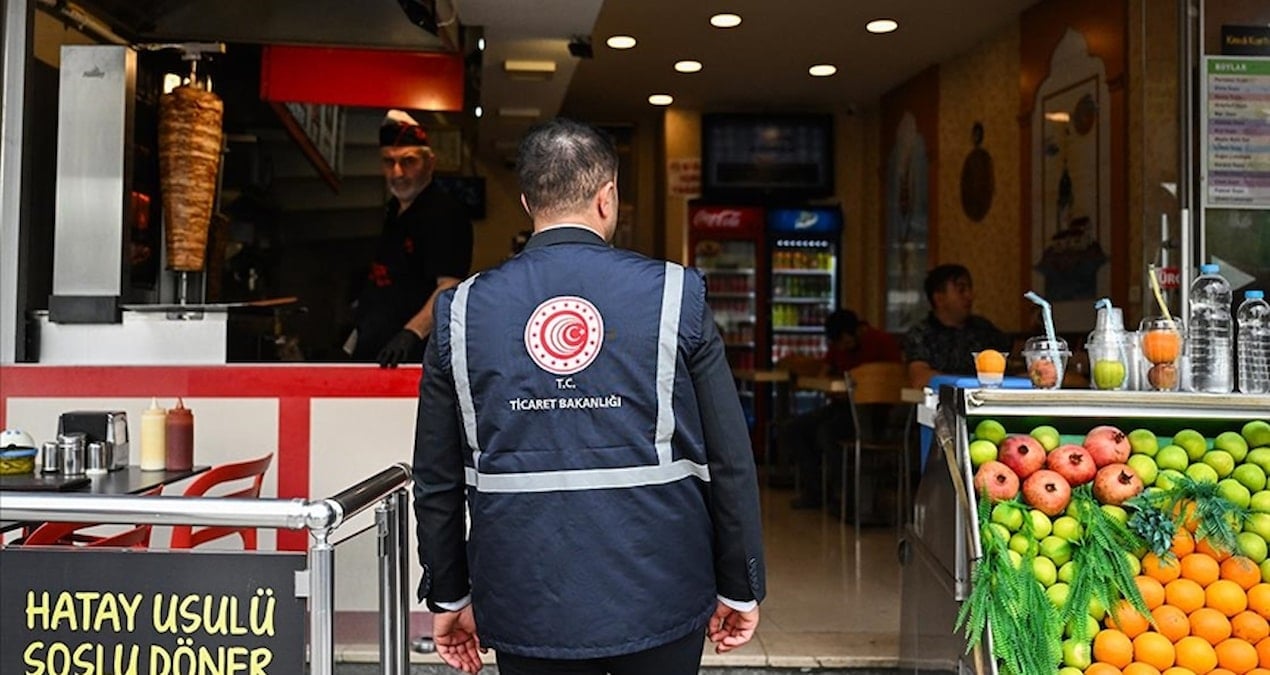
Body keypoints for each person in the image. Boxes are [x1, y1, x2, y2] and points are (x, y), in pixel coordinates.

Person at [412, 118, 765, 674]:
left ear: (528, 201)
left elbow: (436, 477)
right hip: (662, 591)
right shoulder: (676, 294)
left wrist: (450, 595)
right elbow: (731, 459)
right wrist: (740, 585)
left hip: (522, 595)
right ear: (608, 196)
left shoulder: (459, 310)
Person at [348, 109, 473, 367]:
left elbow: (449, 285)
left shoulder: (444, 213)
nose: (397, 173)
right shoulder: (393, 210)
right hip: (373, 349)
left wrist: (411, 333)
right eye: (388, 161)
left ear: (430, 162)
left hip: (410, 357)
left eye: (408, 161)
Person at [783, 309, 903, 510]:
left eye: (846, 342)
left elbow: (895, 379)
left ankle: (847, 497)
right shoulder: (838, 345)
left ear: (857, 331)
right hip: (842, 407)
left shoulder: (882, 342)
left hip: (876, 412)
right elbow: (824, 372)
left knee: (827, 433)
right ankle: (816, 492)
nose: (843, 347)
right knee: (795, 428)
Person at [902, 264, 1010, 389]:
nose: (970, 296)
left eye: (970, 289)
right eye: (961, 290)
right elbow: (920, 378)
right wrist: (964, 385)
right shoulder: (920, 333)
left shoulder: (982, 328)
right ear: (939, 298)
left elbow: (1011, 362)